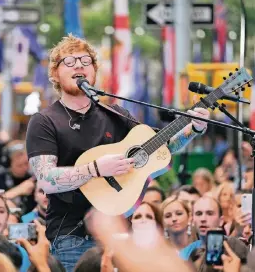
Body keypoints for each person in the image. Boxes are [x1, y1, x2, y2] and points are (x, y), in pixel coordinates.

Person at [25, 34, 210, 271]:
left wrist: (193, 128)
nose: (79, 65)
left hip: (121, 236)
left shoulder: (115, 114)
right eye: (69, 62)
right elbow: (47, 179)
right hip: (71, 239)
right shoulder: (44, 121)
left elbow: (160, 149)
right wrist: (95, 169)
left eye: (85, 60)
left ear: (93, 71)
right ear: (55, 74)